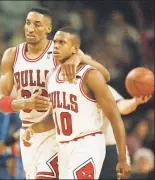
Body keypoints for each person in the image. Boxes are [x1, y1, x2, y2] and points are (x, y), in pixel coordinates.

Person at [0, 7, 110, 179]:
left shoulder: (59, 51)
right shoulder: (11, 55)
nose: (30, 28)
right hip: (28, 131)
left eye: (37, 24)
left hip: (54, 130)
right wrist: (25, 103)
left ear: (49, 29)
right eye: (28, 23)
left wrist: (80, 57)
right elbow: (1, 102)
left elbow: (104, 75)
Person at [23, 27, 131, 179]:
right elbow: (54, 117)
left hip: (87, 143)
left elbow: (115, 116)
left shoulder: (90, 75)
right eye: (54, 42)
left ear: (75, 49)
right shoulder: (51, 77)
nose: (56, 46)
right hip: (63, 146)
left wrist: (122, 158)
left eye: (62, 42)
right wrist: (33, 128)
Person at [99, 86, 152, 179]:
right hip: (79, 149)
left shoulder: (99, 85)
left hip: (109, 150)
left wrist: (134, 101)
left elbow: (120, 106)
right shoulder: (67, 90)